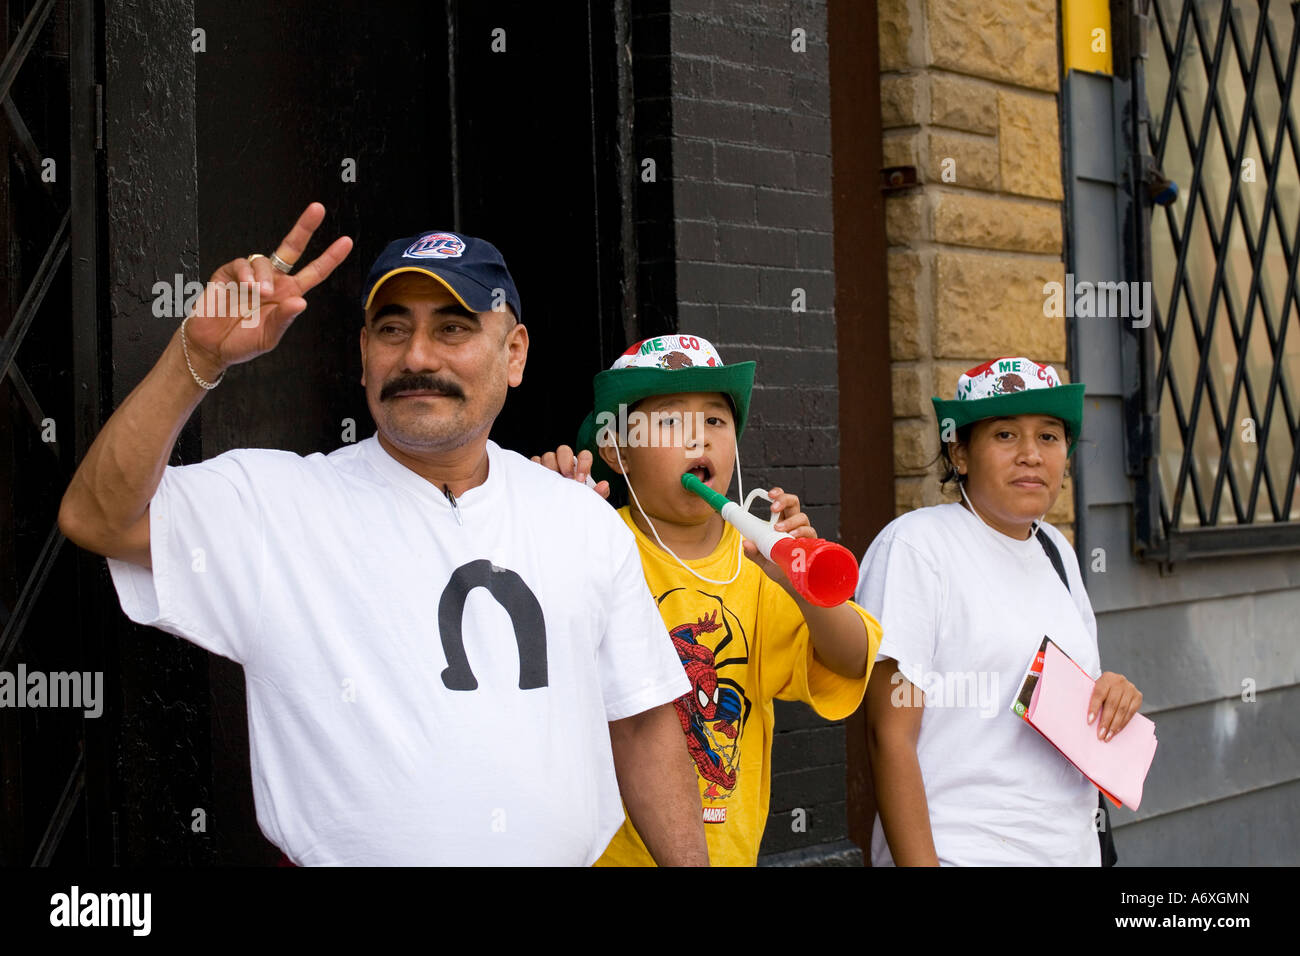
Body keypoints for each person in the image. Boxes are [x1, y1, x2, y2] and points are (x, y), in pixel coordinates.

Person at [57, 204, 708, 866]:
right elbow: (96, 518)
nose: (417, 356)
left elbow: (643, 723)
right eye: (391, 330)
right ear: (365, 356)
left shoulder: (581, 518)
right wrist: (194, 356)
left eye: (453, 328)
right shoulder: (277, 506)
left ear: (514, 355)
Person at [535, 334, 881, 866]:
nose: (700, 436)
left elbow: (854, 659)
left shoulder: (756, 561)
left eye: (716, 422)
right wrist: (542, 524)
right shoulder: (593, 543)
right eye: (670, 421)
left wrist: (802, 587)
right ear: (616, 450)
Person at [856, 356, 1144, 866]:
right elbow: (888, 737)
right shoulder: (919, 547)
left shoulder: (1056, 550)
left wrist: (1111, 693)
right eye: (1006, 435)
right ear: (960, 452)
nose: (1031, 455)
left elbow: (1072, 700)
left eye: (1049, 437)